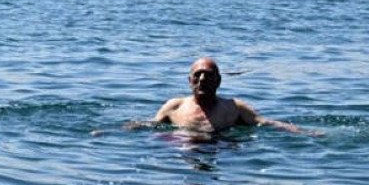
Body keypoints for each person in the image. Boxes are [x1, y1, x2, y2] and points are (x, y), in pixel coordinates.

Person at [138, 57, 322, 136]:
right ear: (189, 80)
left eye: (208, 75)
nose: (202, 80)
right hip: (184, 152)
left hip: (221, 150)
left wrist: (304, 132)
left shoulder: (235, 107)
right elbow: (151, 125)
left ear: (218, 81)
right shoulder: (174, 106)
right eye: (197, 75)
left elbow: (266, 123)